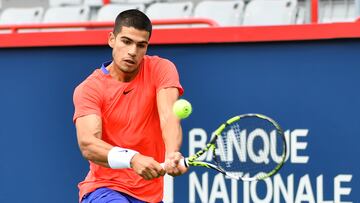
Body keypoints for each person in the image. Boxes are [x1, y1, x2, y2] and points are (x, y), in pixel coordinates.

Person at [73, 9, 187, 203]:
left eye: (141, 45)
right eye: (126, 41)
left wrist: (171, 154)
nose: (133, 52)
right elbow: (88, 144)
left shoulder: (161, 69)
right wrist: (132, 158)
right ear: (112, 39)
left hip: (150, 196)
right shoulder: (89, 89)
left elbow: (168, 116)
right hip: (104, 190)